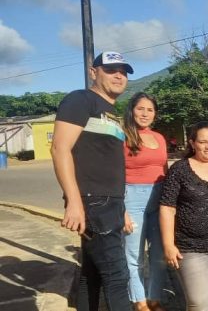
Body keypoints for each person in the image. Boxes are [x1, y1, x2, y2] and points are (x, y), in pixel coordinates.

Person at [51, 51, 134, 311]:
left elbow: (105, 163)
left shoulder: (111, 111)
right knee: (118, 277)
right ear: (93, 72)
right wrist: (74, 202)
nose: (119, 75)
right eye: (111, 69)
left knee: (93, 273)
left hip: (110, 203)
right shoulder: (80, 100)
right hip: (94, 201)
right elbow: (59, 149)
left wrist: (123, 209)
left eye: (123, 71)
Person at [159, 121, 208, 311]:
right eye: (202, 142)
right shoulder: (179, 170)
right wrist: (168, 245)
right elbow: (167, 208)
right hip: (189, 246)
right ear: (192, 143)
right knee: (199, 302)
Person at [121, 92, 168, 311]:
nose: (145, 113)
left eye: (150, 109)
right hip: (132, 198)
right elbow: (114, 174)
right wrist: (121, 210)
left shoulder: (159, 138)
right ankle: (139, 301)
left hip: (159, 198)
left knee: (159, 254)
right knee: (134, 255)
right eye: (141, 108)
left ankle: (155, 298)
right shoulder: (122, 136)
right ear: (131, 110)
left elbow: (164, 169)